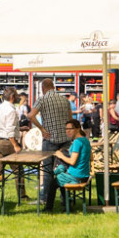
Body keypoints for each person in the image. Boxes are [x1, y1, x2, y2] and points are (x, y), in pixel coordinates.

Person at [33, 79, 73, 211]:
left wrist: (42, 129)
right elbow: (71, 120)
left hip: (50, 140)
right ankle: (65, 199)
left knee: (47, 170)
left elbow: (30, 115)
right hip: (65, 139)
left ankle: (45, 198)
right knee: (64, 170)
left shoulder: (42, 99)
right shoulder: (64, 100)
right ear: (53, 87)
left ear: (44, 88)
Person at [0, 89, 23, 200]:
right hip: (8, 142)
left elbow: (1, 125)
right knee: (18, 170)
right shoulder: (11, 110)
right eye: (17, 95)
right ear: (12, 96)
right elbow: (9, 130)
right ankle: (22, 195)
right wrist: (15, 145)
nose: (19, 97)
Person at [54, 117, 92, 198]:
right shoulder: (85, 140)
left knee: (53, 182)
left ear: (78, 129)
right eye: (66, 129)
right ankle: (66, 202)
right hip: (85, 175)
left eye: (70, 129)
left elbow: (72, 162)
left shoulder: (77, 142)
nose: (68, 131)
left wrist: (60, 155)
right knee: (60, 177)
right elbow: (91, 157)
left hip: (75, 176)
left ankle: (50, 207)